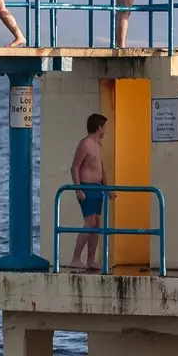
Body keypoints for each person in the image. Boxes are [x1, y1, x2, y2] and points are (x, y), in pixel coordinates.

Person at [70, 113, 110, 272]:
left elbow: (102, 170)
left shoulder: (98, 145)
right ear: (99, 127)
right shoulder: (85, 144)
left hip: (97, 188)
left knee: (97, 224)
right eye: (104, 127)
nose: (105, 130)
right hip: (86, 188)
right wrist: (78, 189)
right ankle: (75, 259)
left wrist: (108, 188)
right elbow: (74, 167)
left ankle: (91, 260)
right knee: (90, 223)